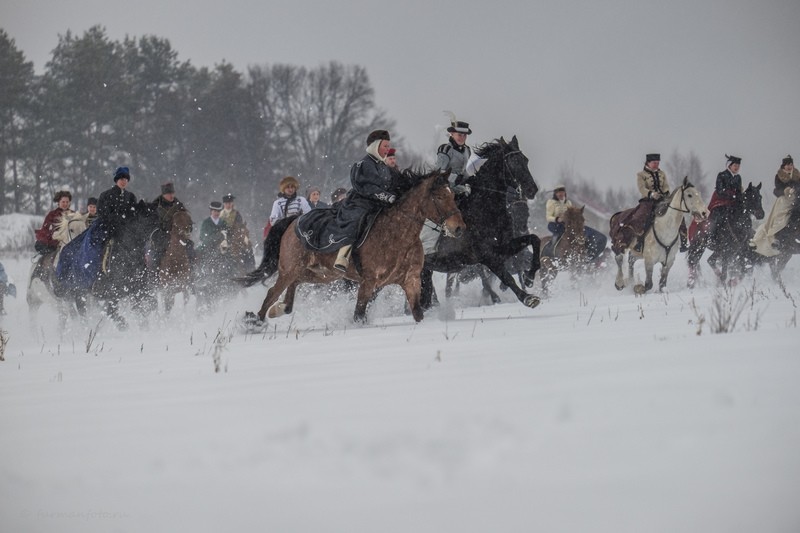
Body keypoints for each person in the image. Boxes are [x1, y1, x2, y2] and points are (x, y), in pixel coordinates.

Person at [611, 153, 687, 253]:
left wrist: (665, 193)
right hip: (648, 201)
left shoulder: (662, 173)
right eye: (654, 163)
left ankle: (684, 241)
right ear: (648, 163)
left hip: (662, 200)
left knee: (678, 213)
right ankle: (638, 240)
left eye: (658, 163)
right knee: (640, 217)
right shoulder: (641, 175)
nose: (656, 165)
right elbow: (641, 188)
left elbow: (666, 186)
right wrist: (651, 194)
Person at [750, 155, 800, 256]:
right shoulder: (779, 176)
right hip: (784, 201)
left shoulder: (797, 175)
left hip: (797, 200)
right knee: (780, 219)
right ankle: (775, 238)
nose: (790, 166)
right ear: (784, 166)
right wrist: (786, 191)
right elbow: (777, 190)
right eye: (787, 165)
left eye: (791, 164)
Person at [545, 185, 607, 261]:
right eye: (559, 193)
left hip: (569, 224)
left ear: (565, 193)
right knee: (559, 235)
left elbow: (571, 214)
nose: (561, 194)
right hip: (555, 224)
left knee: (580, 233)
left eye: (562, 192)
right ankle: (551, 251)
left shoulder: (568, 202)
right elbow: (548, 217)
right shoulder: (551, 202)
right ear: (555, 194)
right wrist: (558, 219)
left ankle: (588, 254)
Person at [148, 182, 192, 269]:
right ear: (164, 194)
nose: (171, 196)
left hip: (179, 235)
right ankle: (155, 276)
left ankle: (192, 272)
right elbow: (151, 223)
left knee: (190, 251)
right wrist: (159, 231)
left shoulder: (179, 206)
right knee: (157, 257)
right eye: (169, 194)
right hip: (161, 236)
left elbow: (186, 220)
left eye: (172, 193)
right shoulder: (155, 206)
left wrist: (188, 228)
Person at [706, 154, 744, 245]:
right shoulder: (722, 175)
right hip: (720, 201)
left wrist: (739, 198)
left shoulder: (738, 178)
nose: (737, 167)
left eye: (738, 166)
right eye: (735, 165)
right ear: (730, 165)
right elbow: (719, 190)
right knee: (718, 216)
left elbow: (739, 191)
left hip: (733, 202)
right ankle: (711, 235)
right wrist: (731, 195)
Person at [97, 166, 140, 241]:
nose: (124, 182)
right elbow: (101, 212)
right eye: (122, 179)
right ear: (116, 180)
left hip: (126, 232)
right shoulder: (106, 195)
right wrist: (113, 221)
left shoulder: (131, 197)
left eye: (126, 180)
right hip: (108, 231)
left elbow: (134, 215)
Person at [436, 116, 473, 196]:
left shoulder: (467, 150)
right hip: (446, 189)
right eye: (459, 135)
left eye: (464, 135)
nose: (462, 138)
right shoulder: (446, 149)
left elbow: (464, 170)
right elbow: (439, 173)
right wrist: (455, 178)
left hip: (461, 187)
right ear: (452, 134)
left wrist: (469, 178)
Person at [35, 190, 73, 254]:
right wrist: (53, 236)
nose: (65, 204)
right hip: (56, 242)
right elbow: (45, 228)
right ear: (58, 202)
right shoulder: (52, 214)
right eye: (63, 202)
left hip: (71, 241)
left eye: (67, 202)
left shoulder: (73, 214)